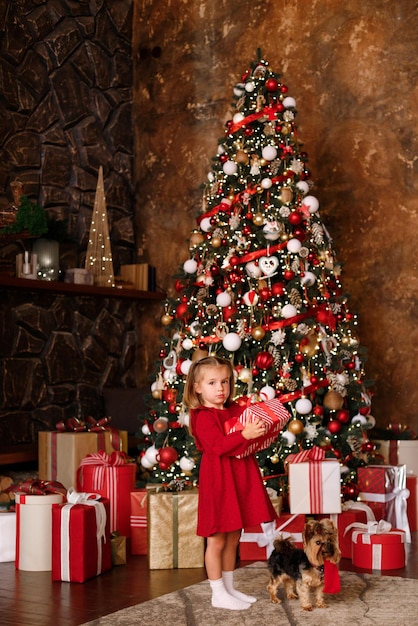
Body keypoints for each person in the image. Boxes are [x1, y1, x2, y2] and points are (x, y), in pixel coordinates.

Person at [183, 355, 278, 611]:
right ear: (197, 387)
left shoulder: (235, 410)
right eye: (212, 383)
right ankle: (217, 592)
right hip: (218, 478)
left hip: (239, 474)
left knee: (234, 533)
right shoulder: (202, 416)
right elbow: (215, 446)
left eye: (224, 381)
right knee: (217, 537)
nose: (220, 388)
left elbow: (250, 434)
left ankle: (228, 586)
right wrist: (244, 435)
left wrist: (260, 430)